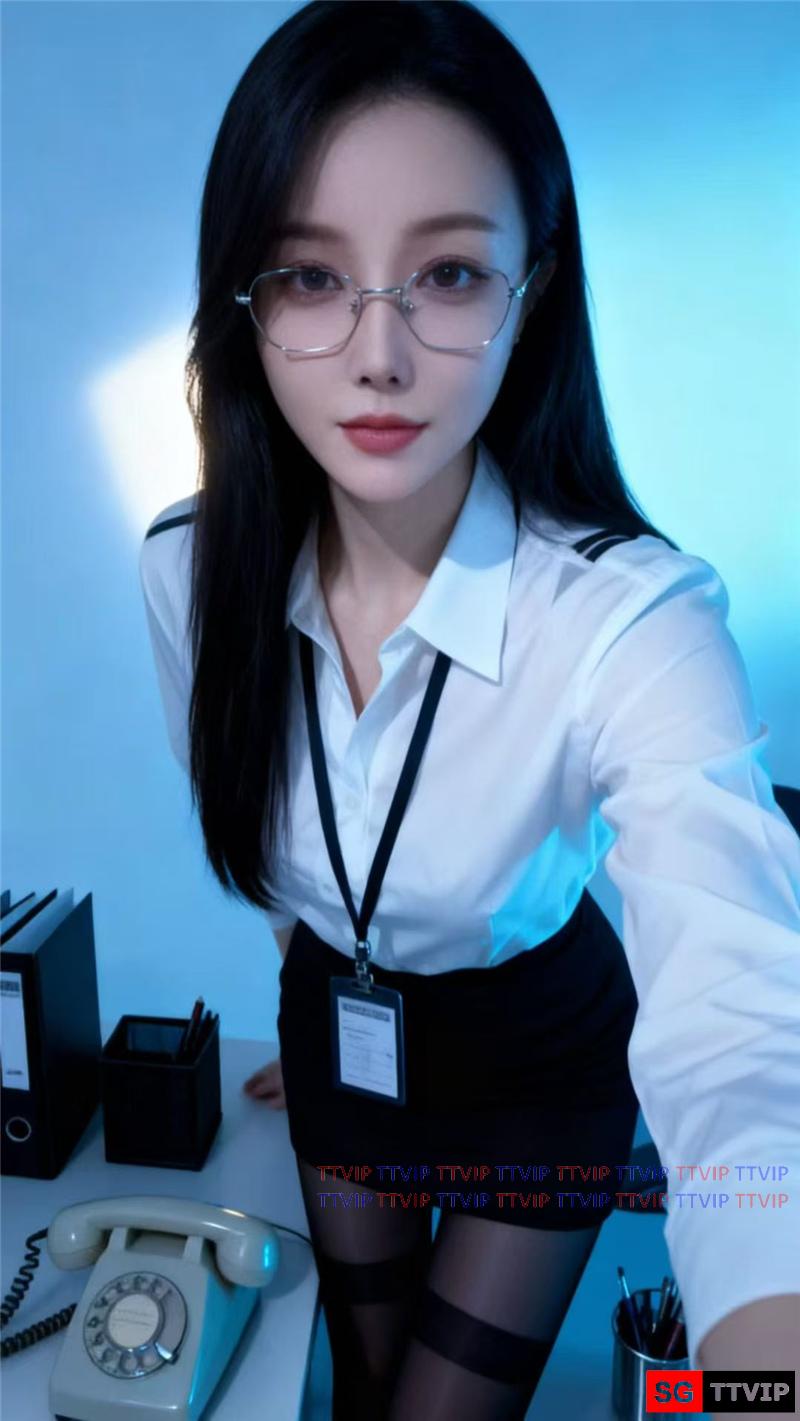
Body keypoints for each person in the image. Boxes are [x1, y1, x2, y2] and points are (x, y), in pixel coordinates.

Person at [139, 2, 800, 1417]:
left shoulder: (634, 619)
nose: (378, 357)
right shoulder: (187, 572)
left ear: (532, 289)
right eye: (312, 277)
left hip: (538, 1060)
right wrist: (328, 992)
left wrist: (771, 1358)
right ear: (244, 301)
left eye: (445, 273)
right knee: (363, 1383)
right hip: (339, 1044)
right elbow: (274, 832)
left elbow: (741, 1030)